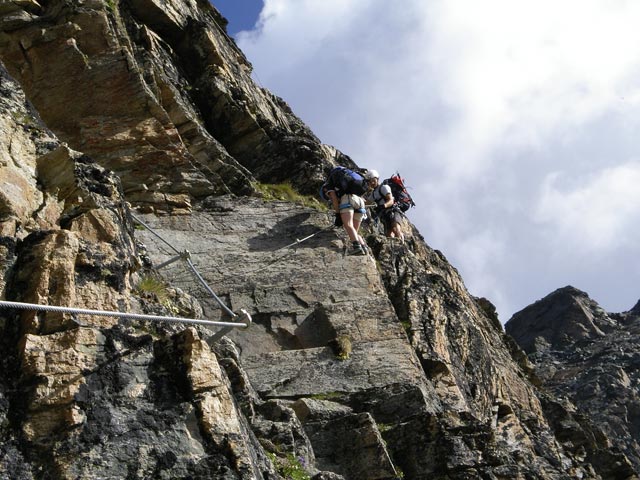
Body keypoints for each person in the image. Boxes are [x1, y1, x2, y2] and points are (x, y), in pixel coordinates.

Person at [321, 167, 368, 255]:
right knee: (354, 230)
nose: (329, 199)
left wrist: (338, 214)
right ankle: (364, 248)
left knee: (348, 225)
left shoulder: (327, 186)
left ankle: (357, 248)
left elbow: (334, 199)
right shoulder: (346, 181)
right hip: (360, 201)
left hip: (348, 199)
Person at [365, 170, 405, 243]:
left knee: (396, 229)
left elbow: (391, 200)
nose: (372, 183)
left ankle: (402, 246)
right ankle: (394, 248)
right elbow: (366, 203)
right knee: (389, 235)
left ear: (377, 179)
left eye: (373, 180)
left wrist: (383, 206)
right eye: (370, 182)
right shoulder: (373, 194)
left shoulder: (384, 187)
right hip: (385, 215)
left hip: (393, 211)